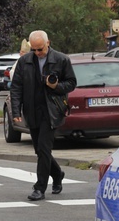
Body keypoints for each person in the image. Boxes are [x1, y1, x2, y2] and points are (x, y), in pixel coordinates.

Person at [10, 30, 76, 201]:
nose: (38, 53)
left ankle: (39, 188)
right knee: (40, 150)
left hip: (51, 110)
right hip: (32, 110)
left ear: (48, 43)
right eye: (34, 50)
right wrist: (16, 112)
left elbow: (71, 83)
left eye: (40, 49)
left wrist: (56, 87)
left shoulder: (61, 59)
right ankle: (57, 173)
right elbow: (16, 87)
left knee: (44, 148)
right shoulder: (24, 62)